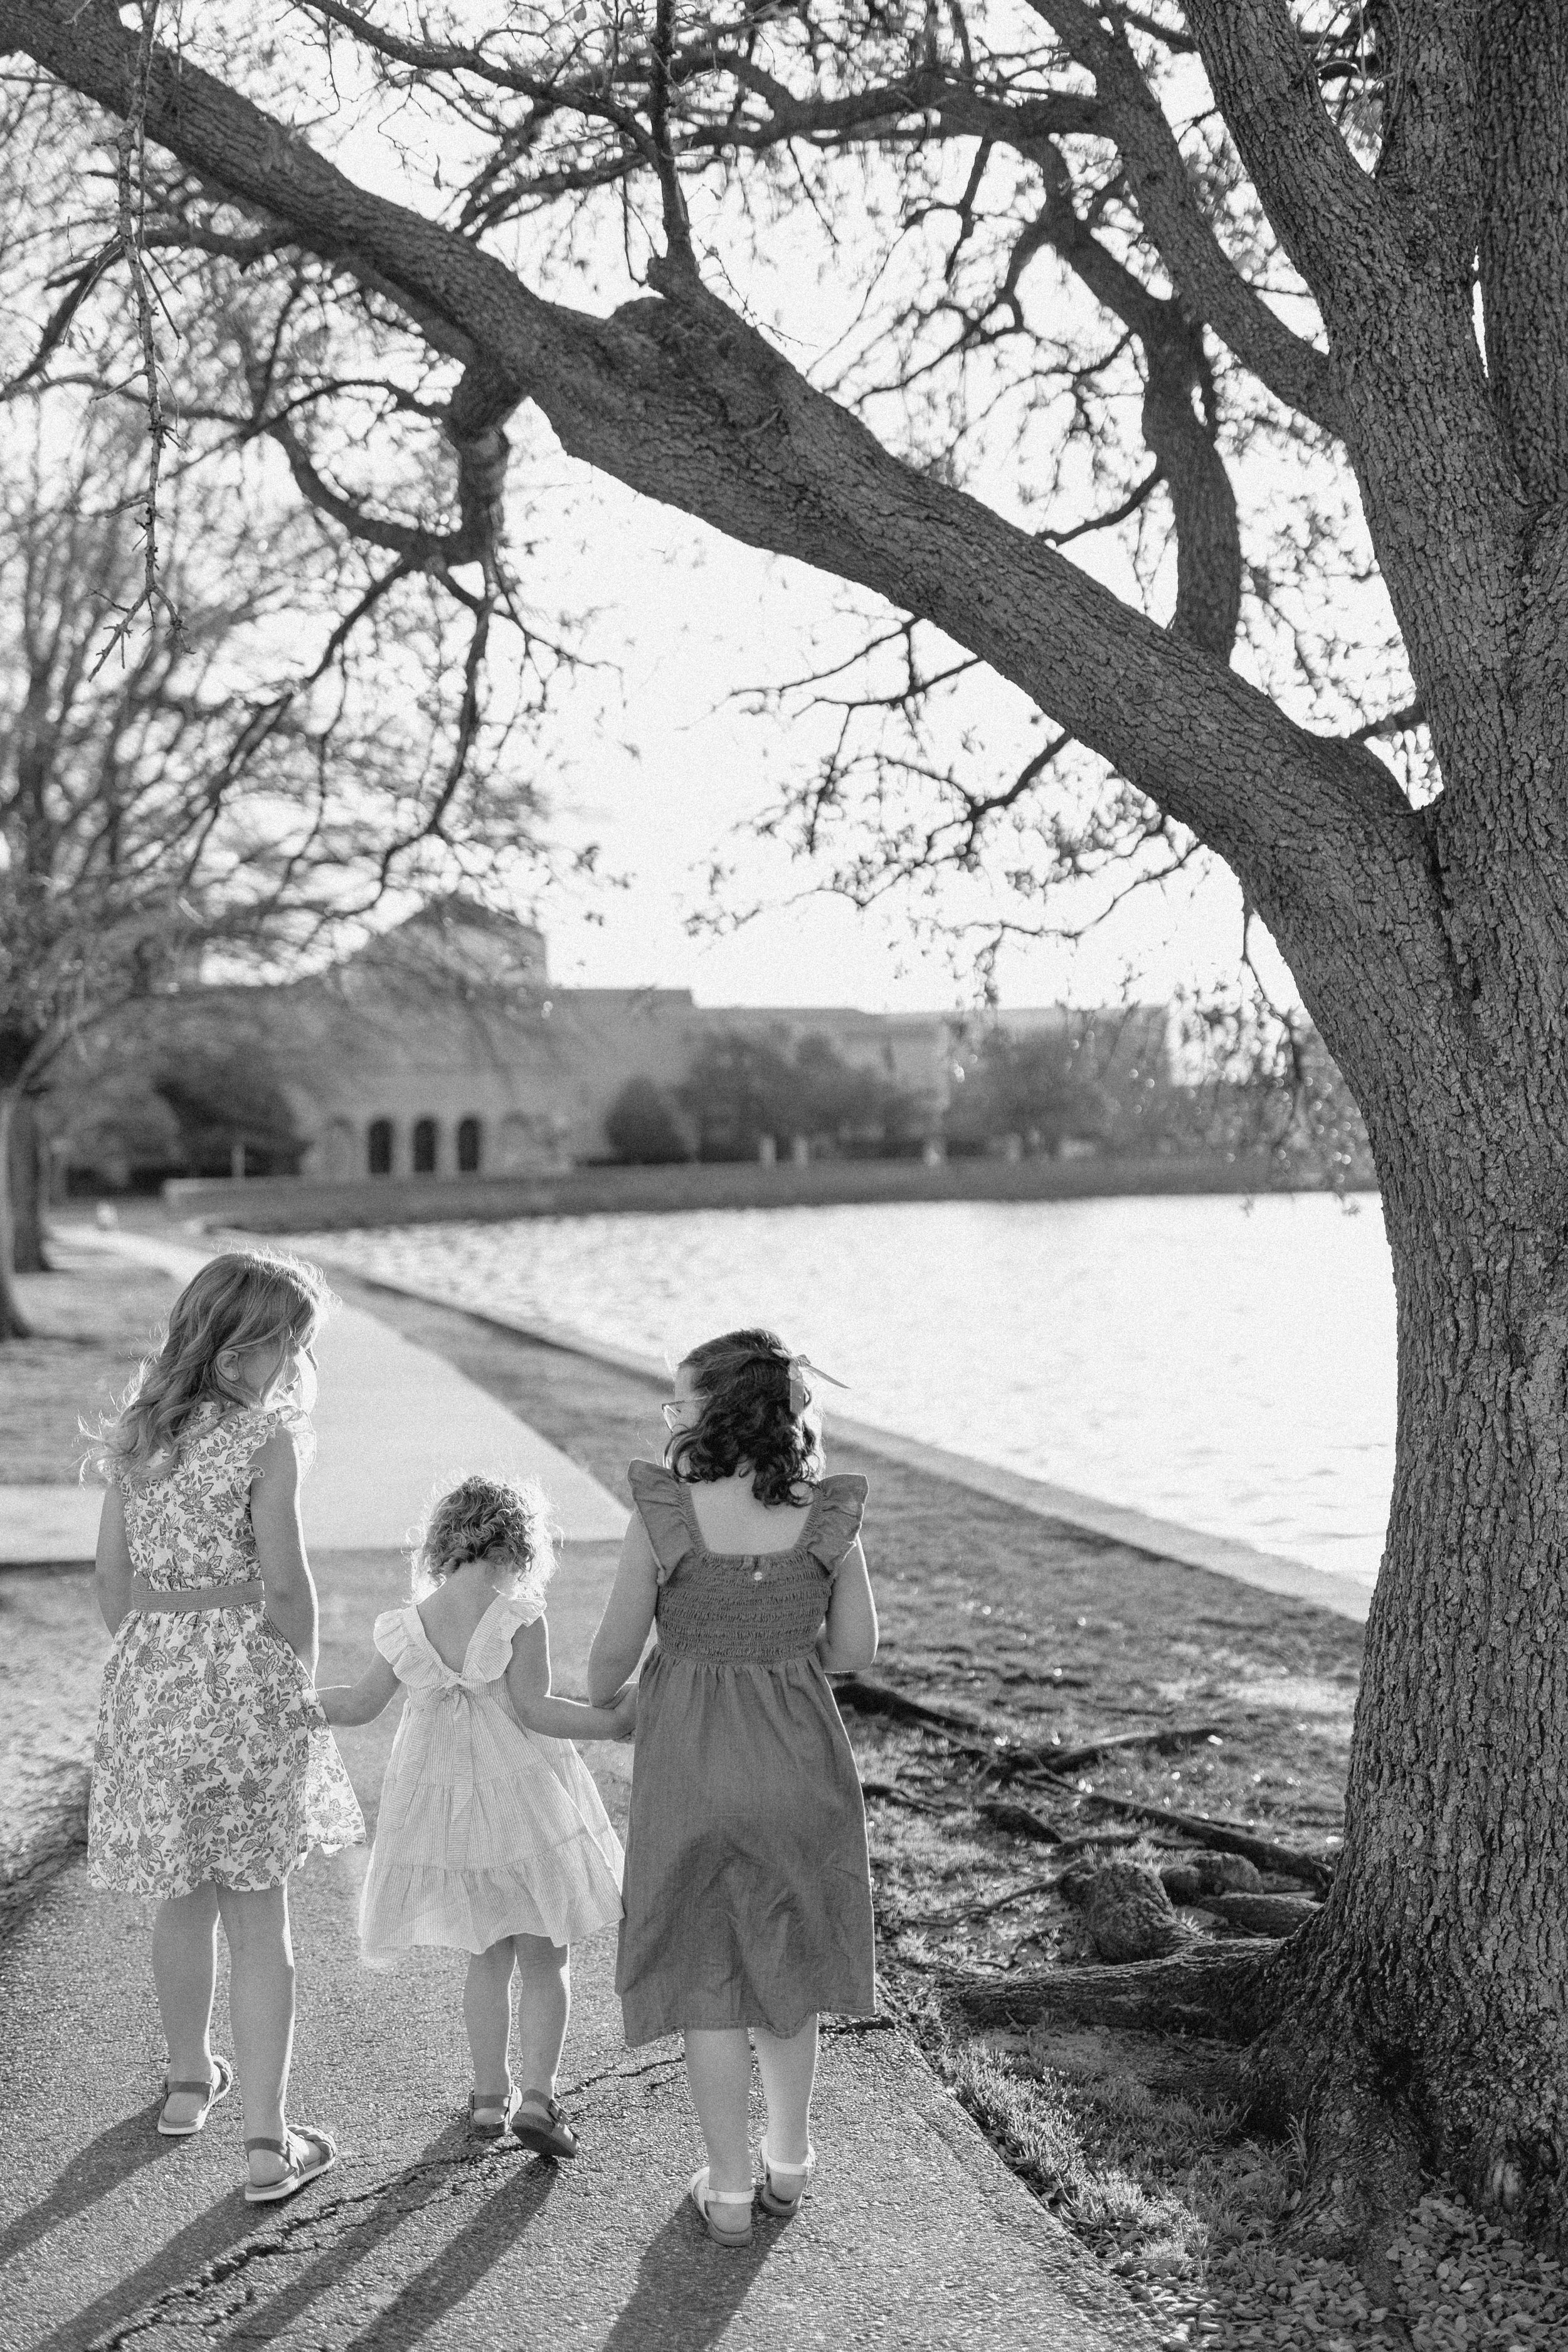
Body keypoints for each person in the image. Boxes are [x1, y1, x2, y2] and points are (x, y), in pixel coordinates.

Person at [587, 1328, 879, 2246]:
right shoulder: (826, 1519)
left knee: (709, 1981)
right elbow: (854, 1652)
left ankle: (727, 2188)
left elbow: (604, 1671)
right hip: (799, 1768)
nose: (671, 1419)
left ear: (711, 1415)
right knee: (788, 1967)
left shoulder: (665, 1515)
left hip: (691, 1774)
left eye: (678, 1403)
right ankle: (789, 2159)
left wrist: (658, 1666)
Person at [85, 1250, 364, 2205]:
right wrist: (300, 1679)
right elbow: (285, 1579)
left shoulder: (140, 1433)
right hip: (247, 1679)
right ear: (256, 1344)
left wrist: (163, 1660)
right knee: (259, 1915)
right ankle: (266, 2143)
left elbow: (109, 1581)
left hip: (155, 1679)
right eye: (295, 1343)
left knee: (182, 1897)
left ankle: (187, 2081)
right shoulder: (267, 1437)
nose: (298, 1362)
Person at [317, 1473, 635, 2156]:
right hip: (523, 1809)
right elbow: (536, 1710)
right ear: (519, 1543)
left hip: (447, 1817)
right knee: (546, 1955)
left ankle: (489, 2098)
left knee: (484, 1958)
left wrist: (298, 1704)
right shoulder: (518, 1614)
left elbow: (362, 1704)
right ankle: (540, 2097)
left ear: (442, 1543)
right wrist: (613, 1723)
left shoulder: (408, 1624)